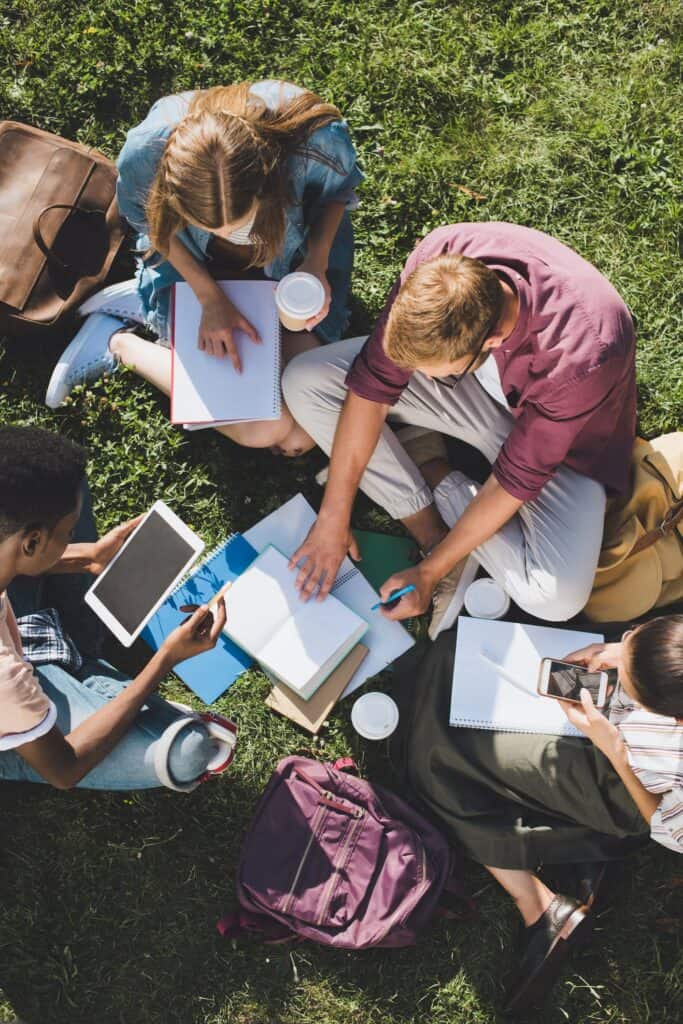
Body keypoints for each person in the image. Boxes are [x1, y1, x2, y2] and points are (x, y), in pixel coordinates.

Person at [282, 222, 637, 634]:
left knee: (555, 599)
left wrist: (430, 572)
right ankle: (429, 525)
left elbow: (517, 477)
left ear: (490, 342)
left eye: (432, 373)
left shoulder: (584, 354)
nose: (422, 381)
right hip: (482, 395)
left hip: (566, 446)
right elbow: (373, 383)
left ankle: (432, 469)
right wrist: (332, 517)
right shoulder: (440, 261)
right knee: (303, 381)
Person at [45, 79, 363, 456]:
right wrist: (209, 297)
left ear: (267, 181)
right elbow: (152, 226)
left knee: (300, 437)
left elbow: (336, 195)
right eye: (211, 226)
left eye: (243, 220)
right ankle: (118, 343)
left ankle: (155, 314)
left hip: (287, 267)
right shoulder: (147, 152)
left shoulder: (316, 138)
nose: (232, 234)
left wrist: (316, 261)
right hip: (194, 268)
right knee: (265, 430)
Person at [391, 617, 683, 1012]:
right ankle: (569, 850)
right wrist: (622, 653)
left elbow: (664, 826)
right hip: (609, 727)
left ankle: (540, 905)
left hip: (623, 783)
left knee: (437, 764)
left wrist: (614, 749)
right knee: (451, 652)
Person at [0, 425, 231, 791]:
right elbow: (64, 769)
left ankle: (89, 671)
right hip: (19, 728)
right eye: (70, 533)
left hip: (20, 639)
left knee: (60, 480)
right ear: (31, 543)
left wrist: (87, 558)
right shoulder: (5, 680)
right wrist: (165, 661)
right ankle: (94, 677)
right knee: (189, 751)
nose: (75, 537)